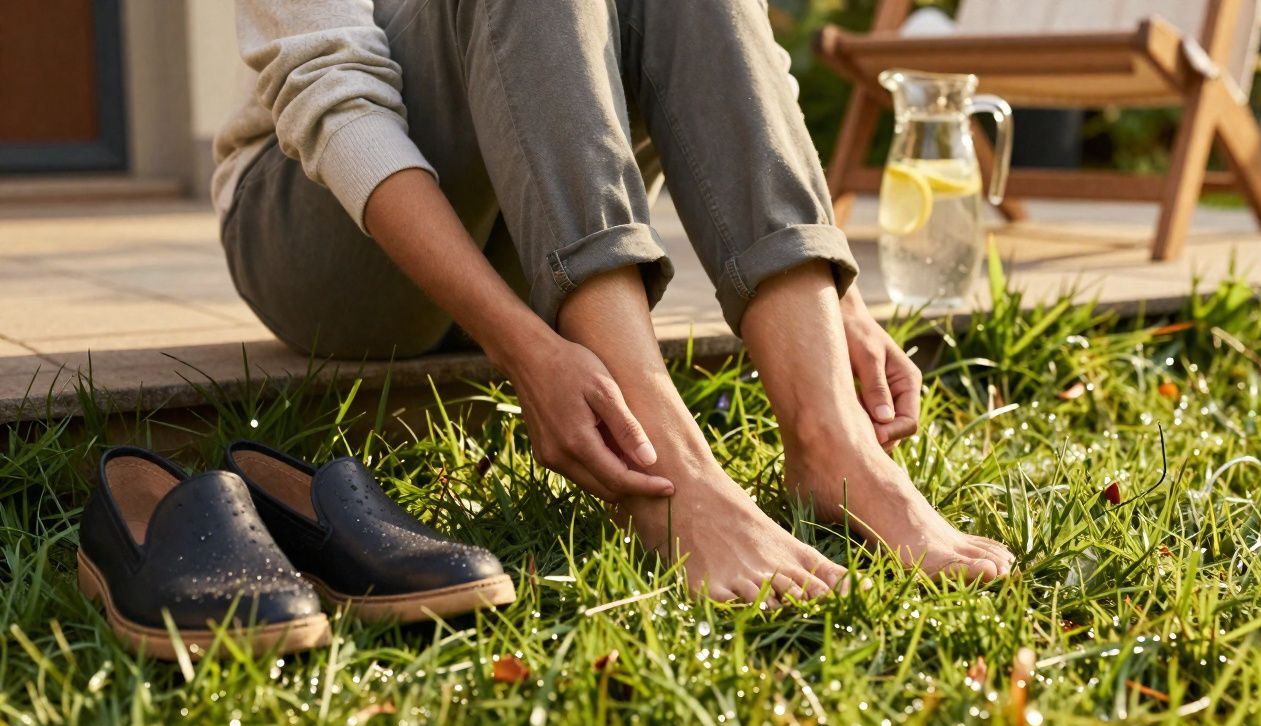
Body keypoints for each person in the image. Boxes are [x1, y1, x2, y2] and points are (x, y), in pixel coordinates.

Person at [213, 0, 1014, 604]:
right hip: (333, 249)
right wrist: (521, 346)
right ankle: (665, 472)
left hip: (537, 231)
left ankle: (835, 446)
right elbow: (332, 96)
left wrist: (832, 298)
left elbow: (742, 60)